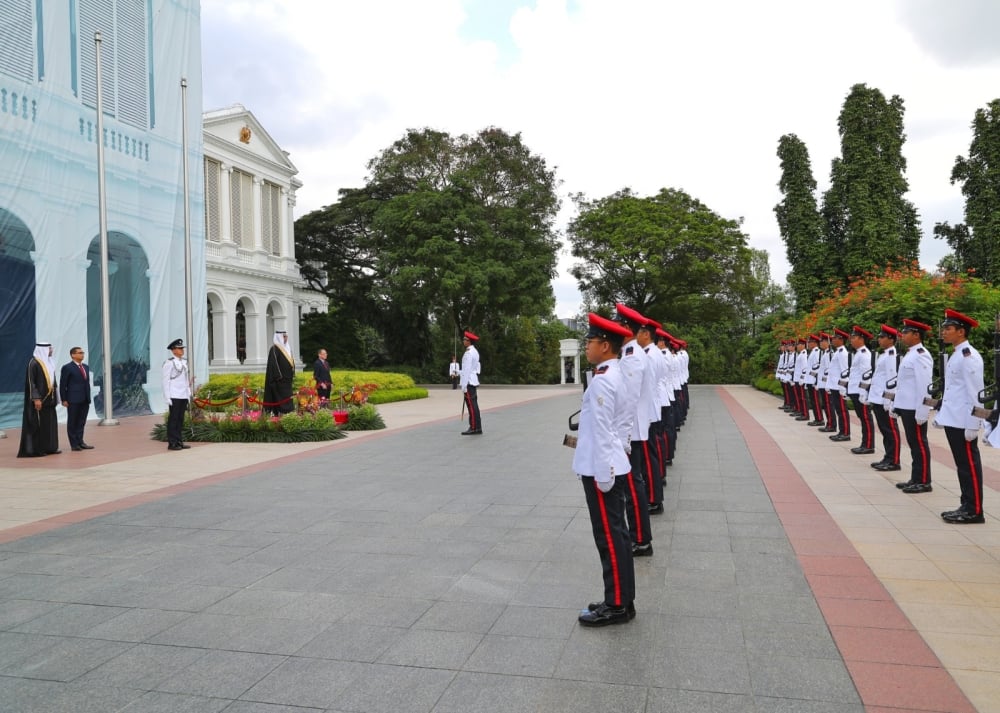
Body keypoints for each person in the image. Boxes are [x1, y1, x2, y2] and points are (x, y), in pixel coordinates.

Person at [574, 313, 635, 627]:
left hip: (602, 469)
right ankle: (622, 598)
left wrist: (603, 474)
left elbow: (599, 430)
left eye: (591, 341)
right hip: (614, 462)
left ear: (606, 345)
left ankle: (616, 605)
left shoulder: (603, 380)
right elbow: (623, 422)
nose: (587, 346)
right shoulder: (617, 374)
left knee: (609, 537)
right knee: (618, 535)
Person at [935, 309, 986, 524]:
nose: (944, 332)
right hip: (954, 418)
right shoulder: (957, 353)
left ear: (961, 331)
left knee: (969, 465)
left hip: (964, 420)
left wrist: (974, 423)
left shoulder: (969, 356)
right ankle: (966, 504)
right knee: (962, 465)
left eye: (948, 329)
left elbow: (976, 391)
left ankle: (974, 511)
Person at [893, 319, 934, 493]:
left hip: (915, 408)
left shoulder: (921, 354)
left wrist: (923, 410)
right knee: (913, 444)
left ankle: (924, 480)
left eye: (906, 332)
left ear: (916, 335)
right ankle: (916, 477)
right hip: (906, 406)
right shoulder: (911, 353)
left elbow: (925, 385)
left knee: (919, 444)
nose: (902, 335)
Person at [17, 342, 61, 457]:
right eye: (49, 349)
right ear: (43, 349)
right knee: (39, 425)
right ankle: (38, 449)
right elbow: (32, 383)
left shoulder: (50, 362)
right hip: (39, 401)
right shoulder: (34, 363)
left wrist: (57, 397)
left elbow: (53, 382)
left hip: (50, 400)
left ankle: (50, 447)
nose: (51, 350)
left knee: (50, 425)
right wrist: (36, 398)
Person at [869, 325, 902, 472]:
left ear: (891, 339)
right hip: (878, 397)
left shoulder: (891, 356)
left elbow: (892, 380)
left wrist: (890, 400)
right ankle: (888, 457)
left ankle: (894, 460)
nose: (879, 339)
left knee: (890, 430)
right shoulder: (884, 354)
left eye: (882, 337)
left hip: (884, 399)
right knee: (884, 429)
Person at [847, 327, 876, 454]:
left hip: (860, 392)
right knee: (862, 418)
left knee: (865, 418)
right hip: (855, 390)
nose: (851, 340)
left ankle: (868, 445)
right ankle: (865, 443)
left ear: (861, 339)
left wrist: (864, 393)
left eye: (853, 338)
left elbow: (866, 375)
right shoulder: (858, 353)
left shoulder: (865, 354)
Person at [60, 347, 94, 451]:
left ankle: (80, 441)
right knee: (72, 422)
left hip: (84, 398)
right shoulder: (67, 367)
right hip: (73, 399)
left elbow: (86, 383)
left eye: (82, 353)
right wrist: (64, 399)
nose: (82, 355)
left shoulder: (86, 367)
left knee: (81, 421)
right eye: (80, 353)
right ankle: (74, 444)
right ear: (73, 355)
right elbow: (63, 384)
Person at [161, 338, 191, 450]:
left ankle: (179, 441)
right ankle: (172, 442)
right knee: (173, 419)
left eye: (182, 348)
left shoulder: (183, 362)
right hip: (174, 394)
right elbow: (165, 381)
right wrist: (167, 397)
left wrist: (188, 393)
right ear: (173, 350)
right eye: (179, 348)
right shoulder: (169, 363)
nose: (182, 350)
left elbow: (185, 379)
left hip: (182, 394)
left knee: (180, 419)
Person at [264, 330, 296, 415]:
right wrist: (279, 376)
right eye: (284, 336)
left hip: (288, 380)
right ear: (279, 337)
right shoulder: (274, 349)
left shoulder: (288, 348)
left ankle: (289, 413)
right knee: (280, 399)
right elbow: (273, 365)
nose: (286, 338)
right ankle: (280, 413)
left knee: (288, 397)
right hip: (279, 380)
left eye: (286, 336)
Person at [460, 330, 482, 434]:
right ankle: (478, 427)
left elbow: (467, 370)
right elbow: (476, 368)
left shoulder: (468, 353)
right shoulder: (475, 352)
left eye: (465, 339)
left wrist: (463, 386)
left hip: (468, 381)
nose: (463, 341)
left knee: (471, 406)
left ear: (469, 341)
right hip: (473, 380)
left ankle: (473, 427)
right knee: (474, 405)